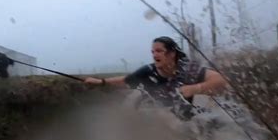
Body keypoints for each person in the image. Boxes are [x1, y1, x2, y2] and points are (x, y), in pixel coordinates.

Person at [84, 36, 227, 119]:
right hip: (168, 121)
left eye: (159, 51)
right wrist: (100, 82)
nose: (154, 55)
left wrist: (194, 88)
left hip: (197, 120)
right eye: (153, 52)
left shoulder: (188, 70)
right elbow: (125, 81)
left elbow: (220, 80)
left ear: (171, 54)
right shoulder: (148, 71)